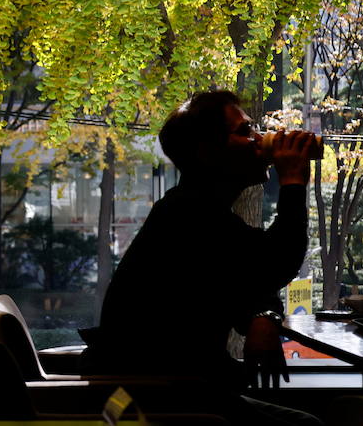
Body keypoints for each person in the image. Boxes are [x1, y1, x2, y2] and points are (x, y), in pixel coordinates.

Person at [90, 89, 317, 388]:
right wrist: (292, 182)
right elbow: (275, 262)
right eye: (245, 130)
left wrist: (264, 316)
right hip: (168, 406)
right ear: (208, 153)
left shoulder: (191, 209)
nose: (259, 139)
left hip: (173, 395)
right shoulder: (190, 215)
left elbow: (243, 274)